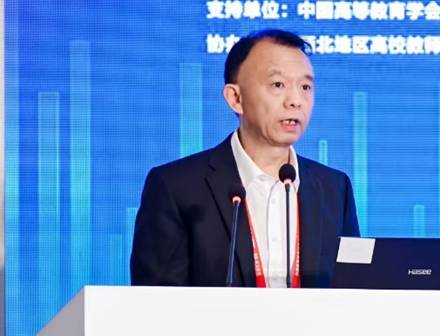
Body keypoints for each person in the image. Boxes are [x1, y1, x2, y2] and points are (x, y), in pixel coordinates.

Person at [131, 29, 360, 287]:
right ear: (235, 98)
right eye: (277, 85)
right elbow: (156, 301)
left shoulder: (334, 189)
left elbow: (354, 293)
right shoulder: (176, 186)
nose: (296, 100)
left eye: (305, 86)